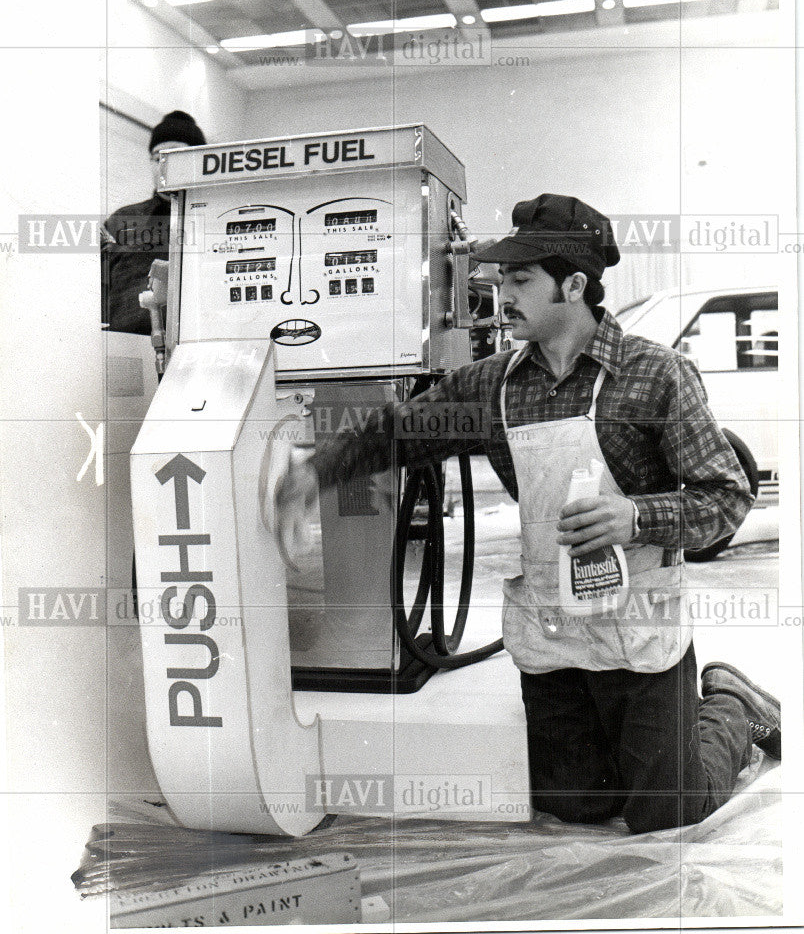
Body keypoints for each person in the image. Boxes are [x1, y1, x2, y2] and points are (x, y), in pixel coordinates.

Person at [276, 193, 781, 834]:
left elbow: (727, 496)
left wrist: (636, 517)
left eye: (519, 280)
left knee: (664, 811)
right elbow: (397, 433)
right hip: (554, 632)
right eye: (500, 278)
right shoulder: (493, 385)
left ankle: (729, 701)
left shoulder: (659, 377)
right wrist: (313, 473)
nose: (501, 292)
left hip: (641, 631)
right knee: (576, 806)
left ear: (574, 284)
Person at [102, 110, 206, 334]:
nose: (165, 164)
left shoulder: (213, 219)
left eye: (176, 155)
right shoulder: (121, 221)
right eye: (159, 157)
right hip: (127, 347)